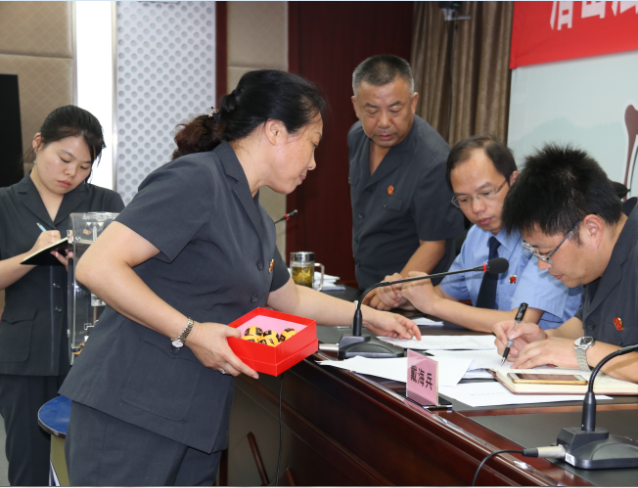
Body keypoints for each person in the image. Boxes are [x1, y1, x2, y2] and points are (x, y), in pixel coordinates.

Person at [59, 70, 421, 486]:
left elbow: (290, 299)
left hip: (195, 420)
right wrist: (191, 331)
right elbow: (98, 266)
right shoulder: (197, 179)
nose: (313, 163)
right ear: (275, 131)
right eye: (313, 144)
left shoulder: (256, 216)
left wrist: (368, 315)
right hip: (132, 410)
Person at [493, 144, 638, 413]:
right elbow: (588, 325)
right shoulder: (603, 255)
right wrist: (545, 339)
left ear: (592, 229)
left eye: (546, 253)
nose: (542, 266)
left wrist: (582, 353)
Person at [0, 106, 124, 486]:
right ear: (39, 144)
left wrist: (90, 262)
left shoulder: (107, 204)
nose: (72, 173)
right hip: (23, 357)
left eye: (84, 166)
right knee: (28, 466)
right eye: (65, 159)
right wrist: (31, 256)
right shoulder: (4, 202)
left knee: (90, 464)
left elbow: (128, 275)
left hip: (92, 356)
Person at [373, 135, 582, 332]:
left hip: (547, 351)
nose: (477, 208)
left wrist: (433, 304)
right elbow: (444, 296)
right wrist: (404, 297)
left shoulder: (544, 236)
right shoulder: (477, 235)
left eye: (486, 192)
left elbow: (520, 321)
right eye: (464, 199)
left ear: (514, 181)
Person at [348, 54, 464, 305]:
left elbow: (434, 246)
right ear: (356, 107)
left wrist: (392, 291)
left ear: (413, 103)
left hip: (411, 298)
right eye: (371, 111)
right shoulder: (357, 137)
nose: (384, 122)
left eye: (395, 110)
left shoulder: (434, 161)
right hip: (367, 284)